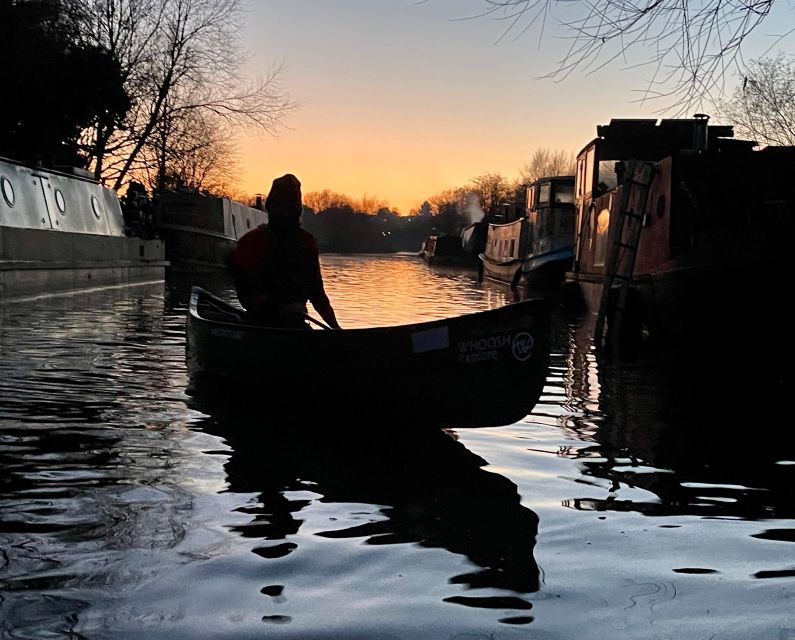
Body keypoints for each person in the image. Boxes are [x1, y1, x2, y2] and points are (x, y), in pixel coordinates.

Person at [229, 173, 341, 329]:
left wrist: (336, 330)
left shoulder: (307, 243)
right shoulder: (253, 242)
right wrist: (279, 309)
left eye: (287, 206)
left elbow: (317, 295)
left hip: (294, 325)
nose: (282, 212)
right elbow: (246, 292)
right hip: (259, 325)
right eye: (279, 206)